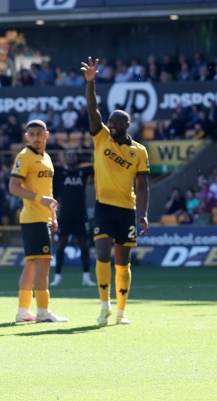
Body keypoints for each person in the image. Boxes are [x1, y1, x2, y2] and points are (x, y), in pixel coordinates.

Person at [82, 57, 150, 326]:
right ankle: (104, 306)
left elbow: (143, 185)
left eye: (116, 122)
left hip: (127, 209)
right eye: (109, 121)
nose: (111, 124)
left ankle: (121, 312)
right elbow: (92, 110)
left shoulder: (139, 152)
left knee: (123, 261)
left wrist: (143, 214)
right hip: (103, 206)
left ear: (127, 125)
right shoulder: (101, 137)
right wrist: (91, 83)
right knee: (101, 253)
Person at [9, 120, 67, 324]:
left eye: (39, 134)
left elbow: (47, 192)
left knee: (32, 265)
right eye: (31, 134)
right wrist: (40, 200)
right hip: (33, 217)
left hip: (43, 217)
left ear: (46, 135)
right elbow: (14, 187)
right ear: (26, 137)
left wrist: (53, 215)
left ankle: (23, 311)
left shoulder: (47, 158)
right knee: (43, 263)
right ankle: (43, 311)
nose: (35, 138)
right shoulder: (24, 157)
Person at [51, 150, 95, 287]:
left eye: (74, 154)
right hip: (65, 213)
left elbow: (99, 166)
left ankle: (86, 277)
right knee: (61, 244)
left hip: (81, 213)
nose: (72, 156)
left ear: (77, 158)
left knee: (83, 244)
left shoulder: (84, 172)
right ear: (65, 158)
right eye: (69, 155)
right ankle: (57, 277)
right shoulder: (59, 171)